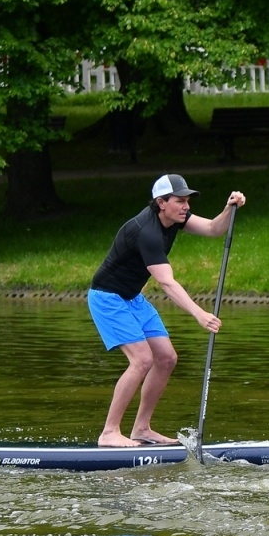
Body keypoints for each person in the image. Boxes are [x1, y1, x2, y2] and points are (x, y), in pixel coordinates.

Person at [88, 174, 246, 447]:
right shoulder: (146, 232)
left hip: (132, 297)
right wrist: (199, 313)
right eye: (180, 201)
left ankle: (141, 429)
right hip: (108, 298)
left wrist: (228, 208)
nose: (186, 206)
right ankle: (109, 432)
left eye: (187, 201)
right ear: (161, 203)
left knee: (166, 358)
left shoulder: (175, 218)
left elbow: (212, 228)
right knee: (141, 360)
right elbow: (166, 282)